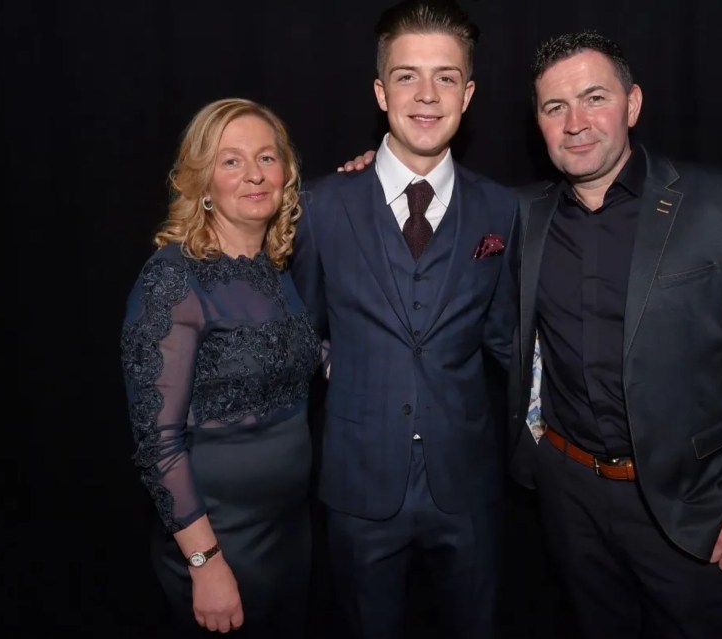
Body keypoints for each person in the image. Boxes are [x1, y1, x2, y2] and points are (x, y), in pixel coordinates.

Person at [504, 32, 722, 639]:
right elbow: (425, 200)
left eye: (595, 98)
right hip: (568, 498)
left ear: (633, 104)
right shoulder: (517, 214)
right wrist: (369, 164)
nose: (576, 123)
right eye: (554, 107)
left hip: (692, 509)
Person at [289, 2, 519, 637]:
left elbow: (508, 339)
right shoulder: (321, 206)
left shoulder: (503, 210)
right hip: (359, 486)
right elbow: (303, 334)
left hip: (468, 487)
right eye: (407, 75)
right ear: (379, 89)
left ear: (467, 94)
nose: (426, 95)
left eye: (445, 77)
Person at [119, 98, 320, 638]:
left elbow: (286, 360)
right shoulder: (173, 279)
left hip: (289, 537)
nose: (254, 174)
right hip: (218, 542)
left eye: (266, 158)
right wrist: (205, 563)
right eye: (231, 161)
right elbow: (157, 443)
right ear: (202, 182)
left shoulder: (276, 270)